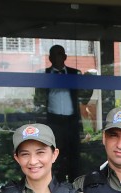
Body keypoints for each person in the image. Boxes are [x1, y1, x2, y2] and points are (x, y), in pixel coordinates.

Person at [35, 44, 84, 182]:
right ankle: (57, 185)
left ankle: (76, 185)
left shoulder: (75, 73)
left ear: (65, 57)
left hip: (72, 121)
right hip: (53, 121)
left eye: (60, 54)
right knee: (55, 155)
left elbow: (85, 96)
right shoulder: (43, 74)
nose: (58, 57)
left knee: (74, 155)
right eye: (55, 55)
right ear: (50, 58)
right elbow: (38, 100)